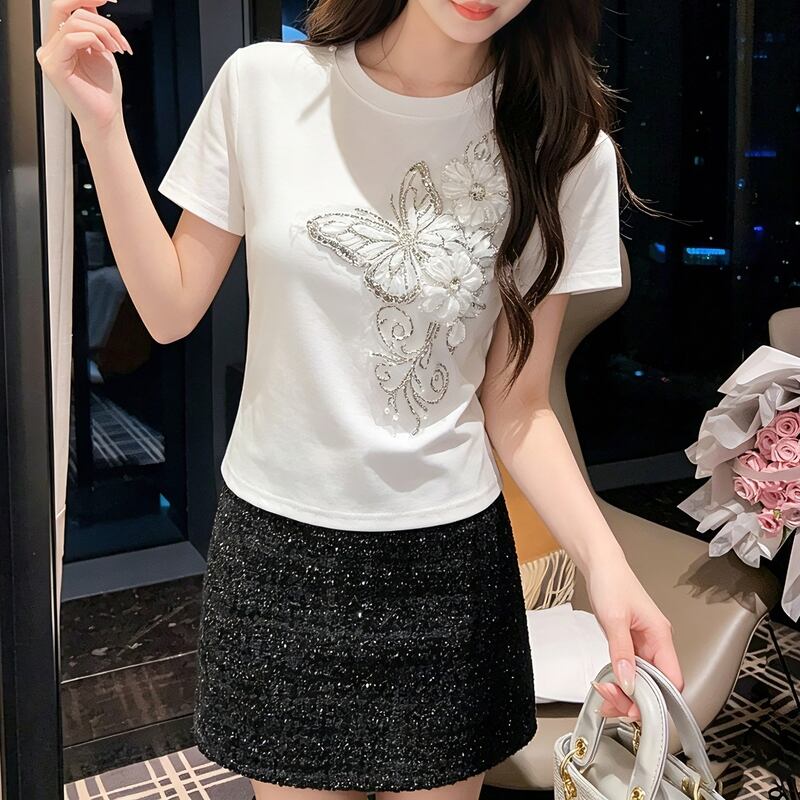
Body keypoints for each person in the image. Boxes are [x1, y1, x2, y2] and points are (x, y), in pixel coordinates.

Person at [36, 1, 684, 799]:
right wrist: (102, 126)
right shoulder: (265, 86)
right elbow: (167, 311)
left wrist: (608, 568)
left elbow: (518, 406)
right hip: (279, 556)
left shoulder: (561, 146)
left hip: (449, 572)